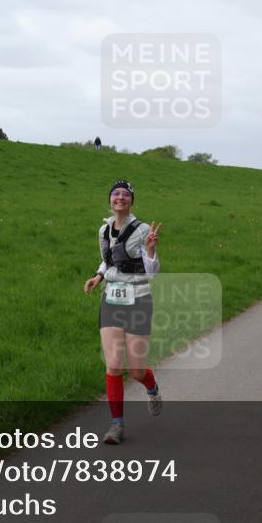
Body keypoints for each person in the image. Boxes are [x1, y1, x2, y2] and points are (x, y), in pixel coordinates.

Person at [83, 180, 163, 444]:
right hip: (112, 300)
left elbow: (152, 273)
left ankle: (151, 388)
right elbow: (109, 260)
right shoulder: (103, 230)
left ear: (131, 201)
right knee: (114, 364)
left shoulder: (142, 231)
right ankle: (116, 425)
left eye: (125, 194)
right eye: (116, 194)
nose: (120, 197)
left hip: (138, 299)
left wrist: (151, 249)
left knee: (136, 371)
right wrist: (98, 276)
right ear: (110, 199)